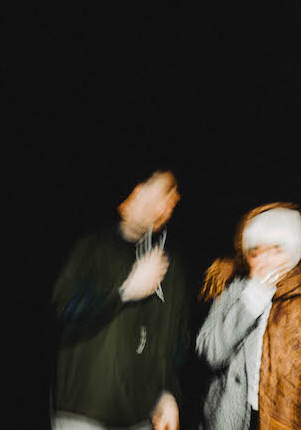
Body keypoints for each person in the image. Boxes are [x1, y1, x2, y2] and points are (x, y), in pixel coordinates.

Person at [51, 170, 190, 430]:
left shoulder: (171, 266)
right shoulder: (92, 249)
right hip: (85, 414)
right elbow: (64, 311)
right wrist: (126, 290)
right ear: (130, 195)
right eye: (160, 192)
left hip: (142, 418)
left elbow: (176, 339)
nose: (165, 206)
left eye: (172, 199)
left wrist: (168, 392)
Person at [196, 202, 301, 430]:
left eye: (276, 249)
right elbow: (210, 353)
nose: (264, 259)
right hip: (231, 421)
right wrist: (250, 302)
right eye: (256, 250)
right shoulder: (236, 291)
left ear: (294, 250)